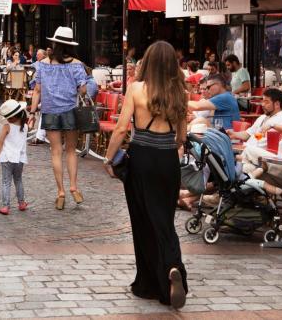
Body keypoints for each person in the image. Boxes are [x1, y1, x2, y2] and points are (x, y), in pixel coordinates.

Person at [103, 40, 188, 309]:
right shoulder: (181, 93)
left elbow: (120, 129)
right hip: (167, 161)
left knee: (142, 221)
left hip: (142, 159)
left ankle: (148, 283)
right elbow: (182, 137)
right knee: (165, 220)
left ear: (148, 62)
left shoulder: (137, 89)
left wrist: (109, 158)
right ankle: (172, 268)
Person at [27, 26, 88, 210]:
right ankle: (73, 187)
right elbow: (83, 90)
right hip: (70, 111)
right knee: (70, 151)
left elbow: (37, 90)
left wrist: (31, 113)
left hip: (50, 110)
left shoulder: (43, 64)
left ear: (55, 43)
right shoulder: (77, 64)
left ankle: (60, 192)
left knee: (55, 152)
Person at [228, 88, 282, 174]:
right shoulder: (263, 117)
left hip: (265, 160)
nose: (262, 104)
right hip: (252, 159)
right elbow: (248, 134)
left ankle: (234, 159)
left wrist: (273, 125)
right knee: (244, 169)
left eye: (266, 102)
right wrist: (234, 134)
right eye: (262, 101)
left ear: (277, 104)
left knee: (232, 161)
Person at [0, 99, 29, 215]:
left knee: (6, 182)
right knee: (18, 180)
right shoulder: (25, 126)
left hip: (7, 157)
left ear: (10, 117)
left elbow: (0, 142)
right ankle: (21, 203)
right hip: (20, 159)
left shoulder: (7, 126)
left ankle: (6, 206)